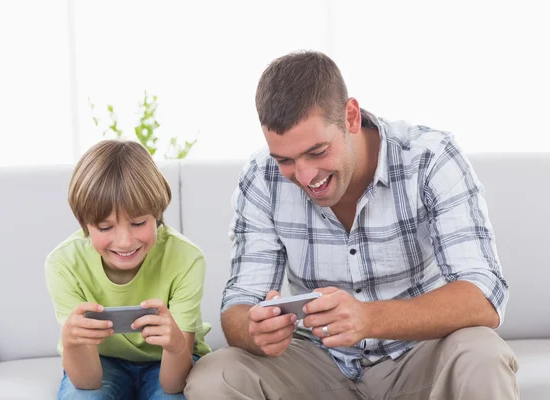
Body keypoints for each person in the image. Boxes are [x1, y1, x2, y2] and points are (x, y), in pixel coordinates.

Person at [185, 51, 518, 399]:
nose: (305, 176)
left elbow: (484, 296)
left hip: (419, 356)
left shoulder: (430, 157)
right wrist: (254, 328)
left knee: (483, 354)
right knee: (215, 376)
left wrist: (368, 318)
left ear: (351, 117)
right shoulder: (261, 176)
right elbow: (238, 305)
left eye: (317, 151)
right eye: (285, 159)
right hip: (317, 362)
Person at [45, 139, 211, 399]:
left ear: (156, 214)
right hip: (103, 361)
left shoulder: (186, 259)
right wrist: (71, 341)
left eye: (138, 222)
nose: (124, 241)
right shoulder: (64, 264)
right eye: (105, 227)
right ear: (85, 225)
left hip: (167, 363)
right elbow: (87, 383)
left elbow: (173, 385)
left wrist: (178, 346)